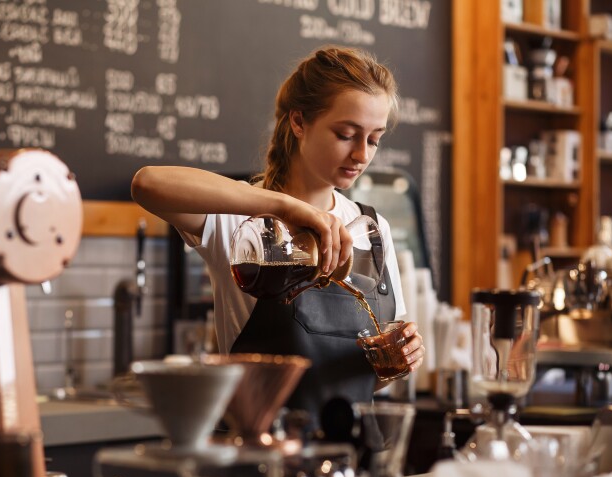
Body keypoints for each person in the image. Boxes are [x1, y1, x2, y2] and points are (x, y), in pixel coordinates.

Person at [132, 45, 425, 431]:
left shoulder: (372, 228)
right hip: (261, 453)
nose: (361, 154)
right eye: (346, 134)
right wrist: (284, 207)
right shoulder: (242, 223)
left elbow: (377, 367)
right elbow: (148, 184)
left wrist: (402, 357)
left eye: (373, 139)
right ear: (299, 122)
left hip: (352, 456)